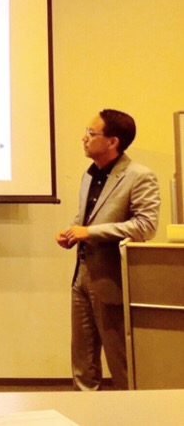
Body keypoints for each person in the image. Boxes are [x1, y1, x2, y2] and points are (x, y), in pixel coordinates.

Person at [56, 109, 160, 391]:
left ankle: (133, 411)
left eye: (91, 133)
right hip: (82, 273)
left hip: (112, 277)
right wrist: (71, 231)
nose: (84, 138)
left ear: (112, 141)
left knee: (120, 359)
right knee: (82, 358)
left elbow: (145, 226)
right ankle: (84, 410)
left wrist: (89, 232)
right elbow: (87, 218)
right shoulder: (89, 174)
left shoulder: (139, 176)